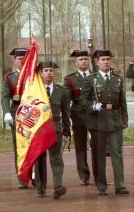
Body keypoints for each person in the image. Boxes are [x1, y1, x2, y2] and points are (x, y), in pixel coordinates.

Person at [80, 49, 129, 196]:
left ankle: (120, 185)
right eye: (103, 60)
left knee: (117, 153)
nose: (106, 62)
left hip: (114, 120)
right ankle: (101, 185)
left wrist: (124, 120)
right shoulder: (91, 79)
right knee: (99, 154)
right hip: (97, 121)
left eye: (108, 59)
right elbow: (82, 100)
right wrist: (91, 106)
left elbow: (122, 101)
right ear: (97, 62)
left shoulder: (117, 79)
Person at [35, 62, 70, 198]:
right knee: (40, 159)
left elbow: (65, 112)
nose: (49, 73)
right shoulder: (35, 91)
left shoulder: (61, 91)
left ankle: (58, 186)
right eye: (45, 70)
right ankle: (40, 188)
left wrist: (66, 129)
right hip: (39, 129)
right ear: (40, 73)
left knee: (56, 158)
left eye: (51, 70)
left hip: (55, 128)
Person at [1, 48, 31, 189]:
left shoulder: (34, 76)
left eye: (24, 58)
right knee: (19, 147)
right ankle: (22, 177)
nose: (22, 61)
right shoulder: (9, 77)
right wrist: (7, 112)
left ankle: (35, 176)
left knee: (34, 146)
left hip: (33, 116)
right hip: (17, 115)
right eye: (19, 59)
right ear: (15, 61)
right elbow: (5, 96)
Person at [64, 50, 91, 186]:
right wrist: (67, 118)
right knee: (80, 147)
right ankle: (84, 175)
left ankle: (99, 174)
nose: (84, 61)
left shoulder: (95, 75)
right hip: (78, 115)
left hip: (95, 114)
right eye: (81, 59)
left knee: (98, 146)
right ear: (76, 62)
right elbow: (67, 100)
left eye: (86, 59)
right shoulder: (70, 79)